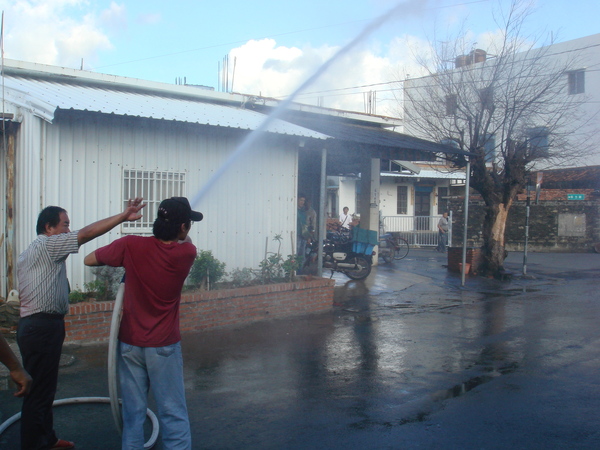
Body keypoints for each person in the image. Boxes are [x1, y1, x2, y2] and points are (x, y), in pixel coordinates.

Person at [17, 198, 145, 450]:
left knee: (44, 389)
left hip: (38, 326)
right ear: (48, 228)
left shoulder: (33, 251)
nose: (68, 230)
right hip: (40, 327)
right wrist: (122, 216)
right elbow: (85, 234)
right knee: (39, 393)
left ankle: (47, 439)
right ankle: (34, 445)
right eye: (64, 225)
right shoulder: (47, 245)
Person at [84, 197, 202, 450]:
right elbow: (187, 241)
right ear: (183, 227)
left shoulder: (130, 245)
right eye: (188, 223)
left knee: (133, 414)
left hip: (129, 344)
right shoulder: (186, 253)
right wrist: (180, 234)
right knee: (172, 412)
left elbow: (89, 259)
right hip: (164, 346)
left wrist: (128, 248)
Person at [297, 194, 308, 268]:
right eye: (301, 200)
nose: (302, 202)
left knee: (302, 256)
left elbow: (305, 224)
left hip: (303, 235)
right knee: (296, 254)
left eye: (304, 201)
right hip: (297, 234)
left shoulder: (303, 211)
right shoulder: (295, 211)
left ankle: (299, 272)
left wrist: (308, 236)